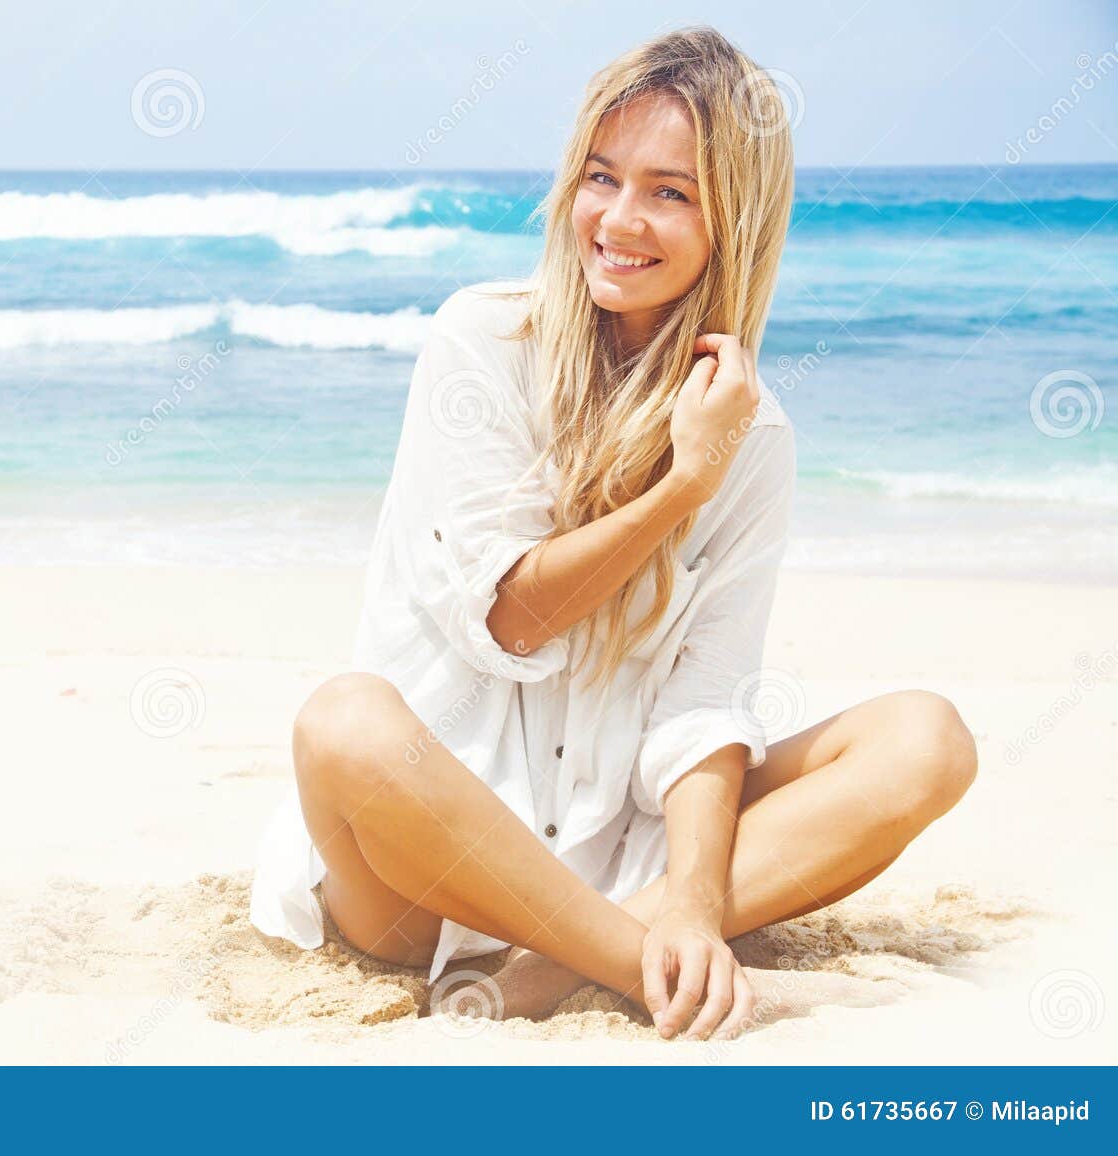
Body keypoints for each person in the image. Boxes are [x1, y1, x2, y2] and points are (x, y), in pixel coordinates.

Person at [249, 25, 977, 1042]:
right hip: (423, 875)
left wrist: (686, 894)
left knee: (924, 740)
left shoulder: (752, 436)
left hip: (617, 858)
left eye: (669, 192)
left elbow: (702, 701)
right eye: (601, 177)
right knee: (343, 722)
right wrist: (681, 488)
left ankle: (561, 967)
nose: (619, 220)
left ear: (734, 217)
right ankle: (628, 962)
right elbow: (507, 616)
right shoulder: (481, 343)